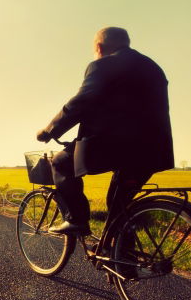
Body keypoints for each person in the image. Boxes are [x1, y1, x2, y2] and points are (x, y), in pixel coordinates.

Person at [36, 27, 173, 236]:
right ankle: (123, 262)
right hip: (153, 149)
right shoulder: (153, 68)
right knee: (119, 207)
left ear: (99, 47)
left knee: (61, 163)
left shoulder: (102, 65)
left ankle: (76, 220)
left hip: (113, 145)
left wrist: (50, 130)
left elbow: (81, 102)